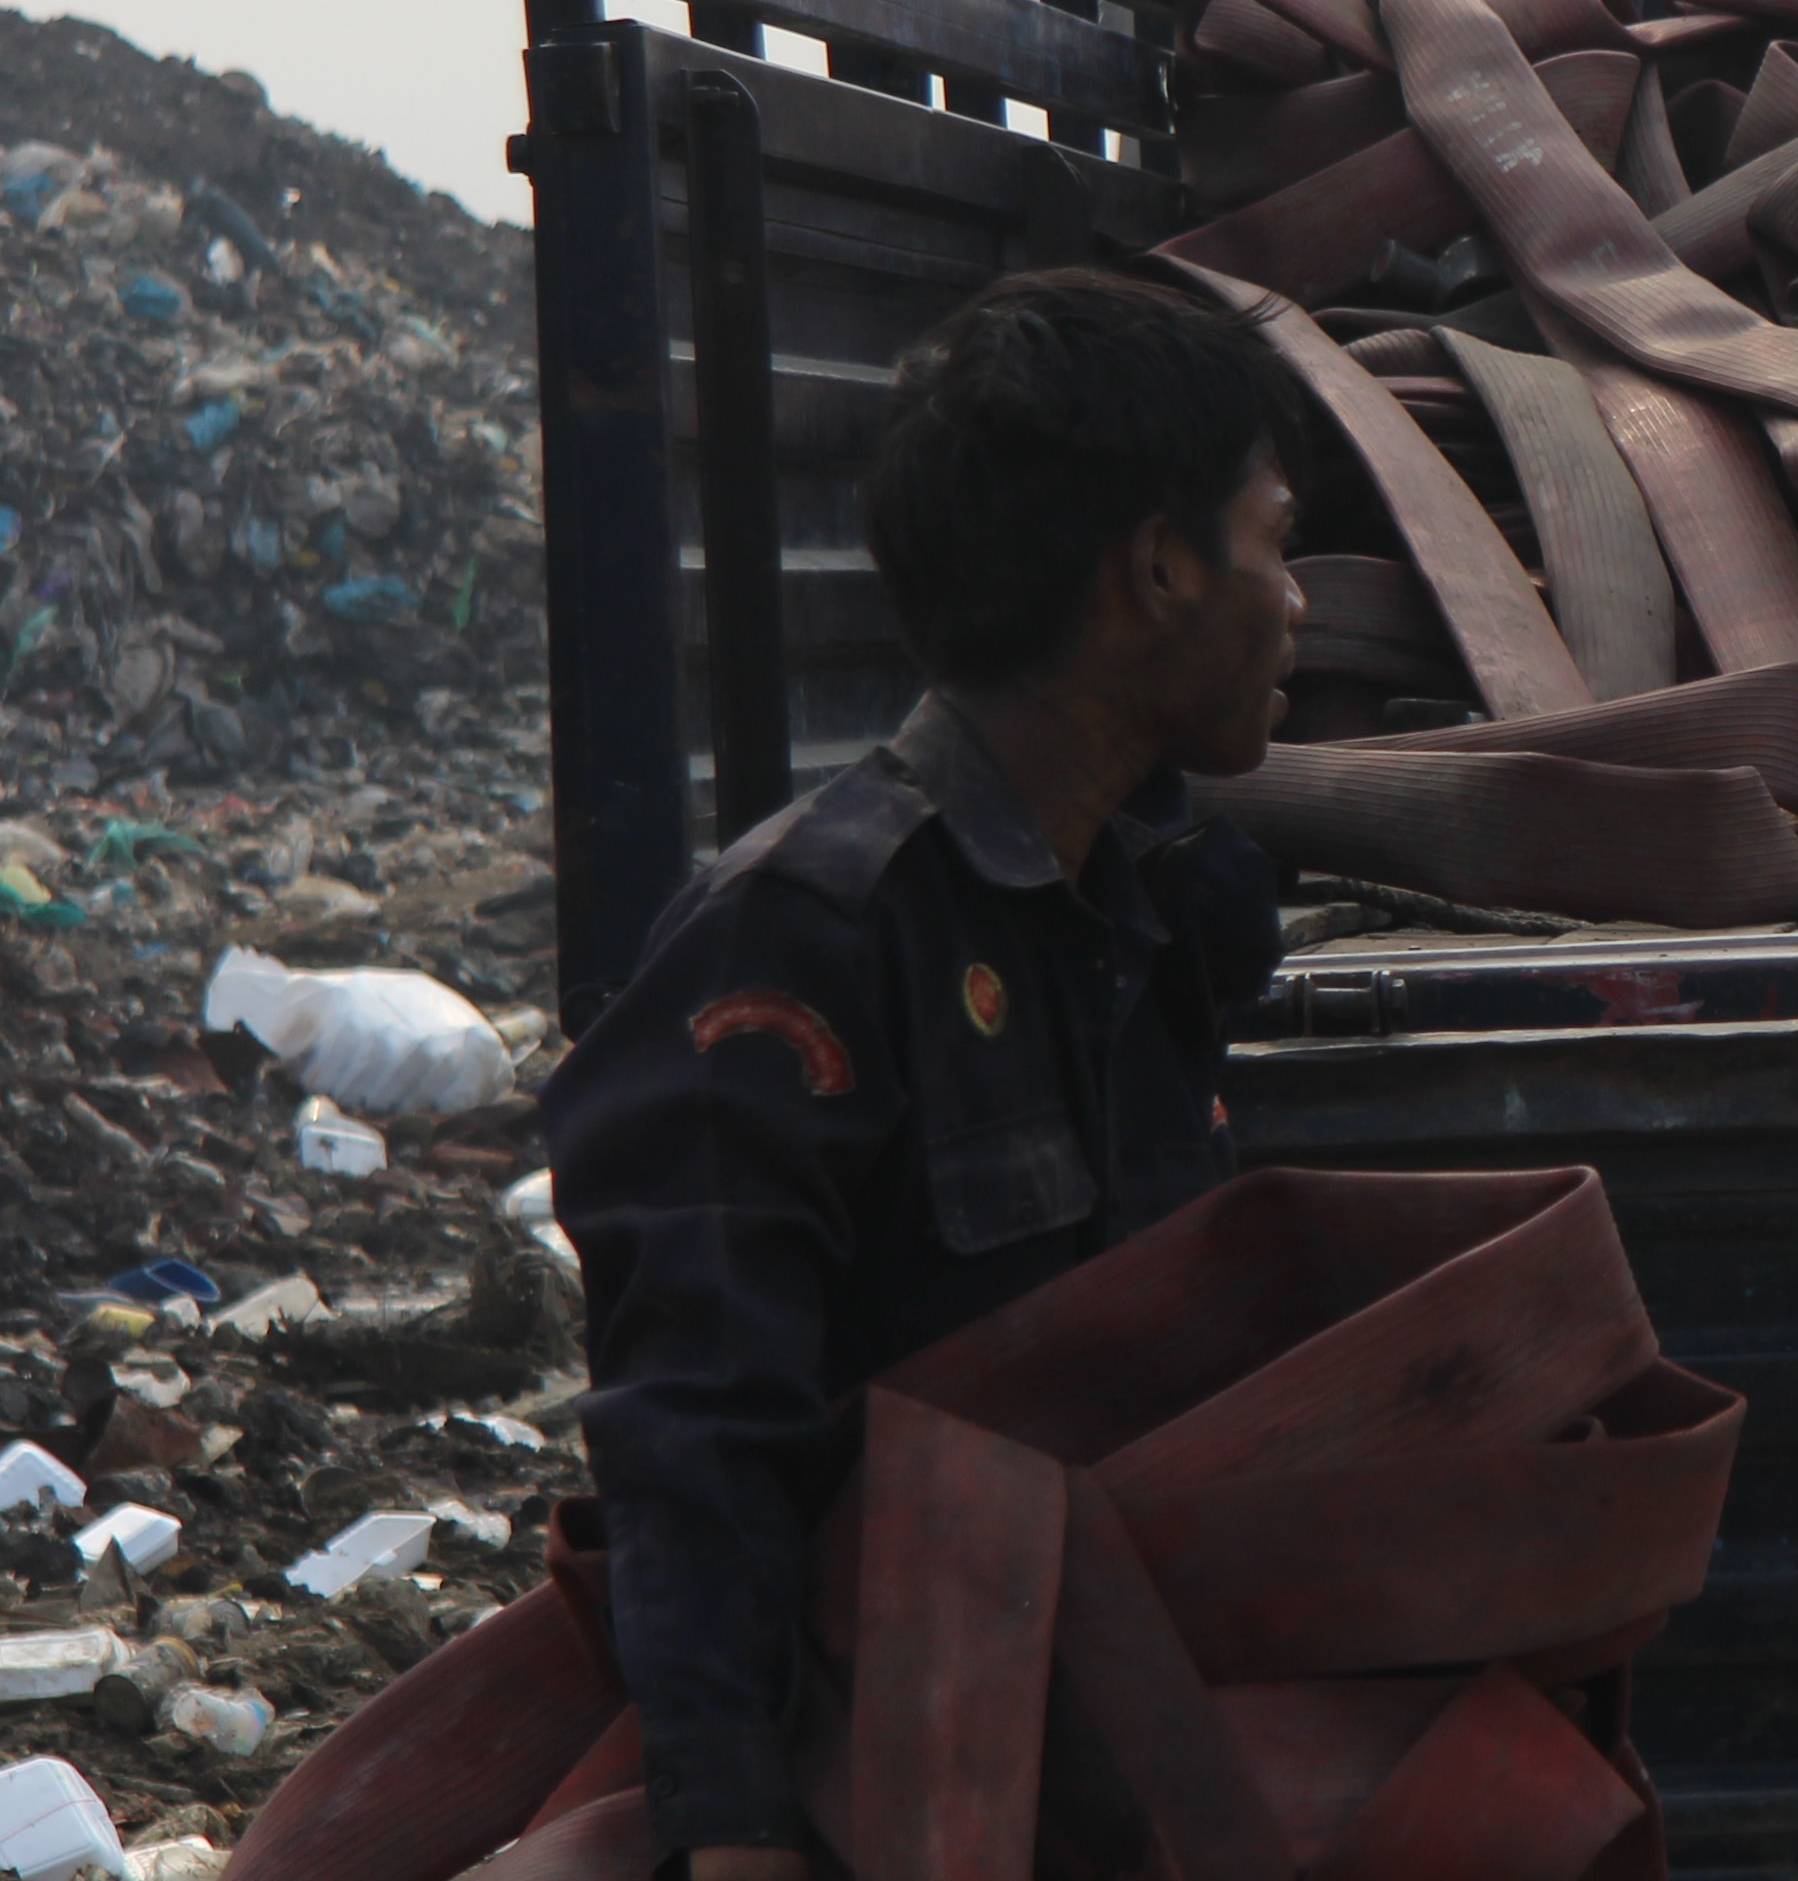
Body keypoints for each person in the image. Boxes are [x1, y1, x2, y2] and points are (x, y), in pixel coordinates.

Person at [540, 269, 1305, 1880]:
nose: (1298, 603)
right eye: (1277, 542)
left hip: (1117, 1748)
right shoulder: (802, 944)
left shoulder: (1148, 911)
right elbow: (695, 1441)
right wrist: (739, 1841)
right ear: (1159, 570)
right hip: (901, 1778)